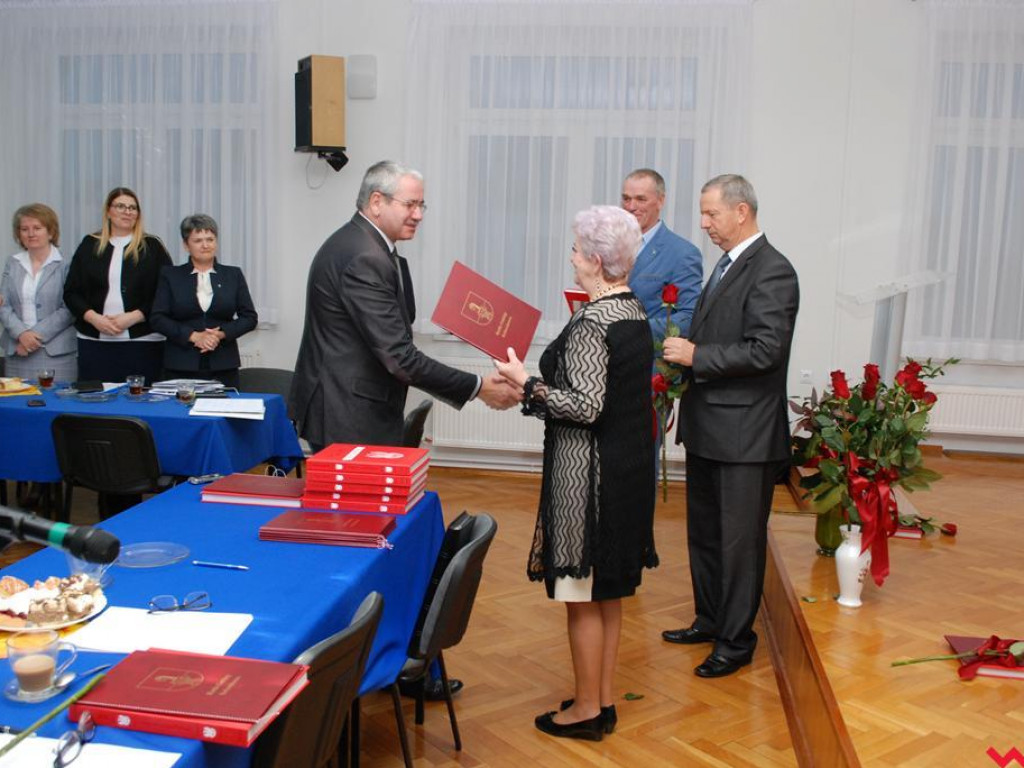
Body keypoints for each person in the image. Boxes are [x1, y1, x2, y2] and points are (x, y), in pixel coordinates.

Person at [494, 205, 658, 741]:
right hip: (625, 473)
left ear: (594, 260)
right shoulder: (632, 311)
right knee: (607, 593)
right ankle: (601, 700)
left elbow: (586, 406)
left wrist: (526, 382)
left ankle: (586, 709)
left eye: (575, 250)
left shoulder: (593, 322)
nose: (571, 258)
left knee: (581, 595)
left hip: (586, 478)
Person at [661, 174, 799, 678]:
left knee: (739, 545)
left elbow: (766, 350)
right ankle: (710, 620)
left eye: (711, 213)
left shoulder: (773, 270)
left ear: (741, 212)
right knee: (705, 535)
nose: (704, 224)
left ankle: (736, 642)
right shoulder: (727, 264)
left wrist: (696, 356)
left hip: (745, 436)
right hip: (709, 427)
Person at [290, 160, 520, 451]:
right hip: (347, 412)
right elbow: (400, 357)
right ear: (377, 202)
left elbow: (399, 322)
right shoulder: (364, 257)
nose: (418, 215)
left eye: (422, 205)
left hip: (352, 406)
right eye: (410, 204)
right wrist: (479, 387)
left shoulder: (368, 245)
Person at [64, 187, 172, 385]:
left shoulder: (152, 246)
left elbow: (166, 292)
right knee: (95, 399)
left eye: (133, 208)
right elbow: (71, 292)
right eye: (121, 206)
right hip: (94, 342)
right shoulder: (89, 244)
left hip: (143, 342)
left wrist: (134, 316)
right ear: (108, 211)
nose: (127, 212)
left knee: (139, 398)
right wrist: (94, 318)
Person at [150, 214, 258, 389]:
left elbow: (250, 318)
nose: (205, 245)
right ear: (186, 245)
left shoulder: (233, 275)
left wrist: (220, 334)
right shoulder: (170, 275)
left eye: (210, 239)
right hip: (180, 364)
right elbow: (157, 318)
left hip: (224, 364)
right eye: (198, 240)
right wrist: (194, 336)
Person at [621, 169, 703, 337]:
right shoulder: (611, 245)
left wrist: (633, 330)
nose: (631, 207)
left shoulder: (682, 254)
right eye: (626, 199)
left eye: (641, 199)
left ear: (660, 201)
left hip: (646, 350)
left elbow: (689, 318)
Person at [1, 204, 77, 382]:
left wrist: (32, 336)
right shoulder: (12, 263)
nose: (31, 234)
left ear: (51, 232)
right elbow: (3, 304)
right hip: (17, 351)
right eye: (24, 229)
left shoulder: (66, 265)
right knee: (17, 398)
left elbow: (69, 308)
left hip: (56, 354)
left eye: (37, 228)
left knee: (56, 400)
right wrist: (21, 334)